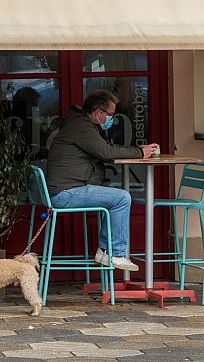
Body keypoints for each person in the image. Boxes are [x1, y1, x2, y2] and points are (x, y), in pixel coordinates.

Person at [45, 89, 158, 272]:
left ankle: (105, 251)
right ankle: (116, 254)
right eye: (110, 114)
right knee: (121, 198)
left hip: (66, 190)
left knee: (115, 198)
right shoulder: (82, 126)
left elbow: (106, 147)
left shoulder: (82, 124)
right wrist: (139, 153)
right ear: (98, 112)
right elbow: (105, 152)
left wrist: (138, 150)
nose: (112, 118)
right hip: (66, 193)